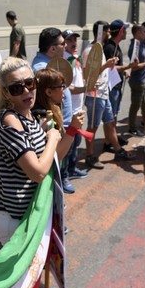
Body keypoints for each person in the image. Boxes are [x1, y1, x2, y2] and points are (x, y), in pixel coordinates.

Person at [0, 57, 79, 288]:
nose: (27, 91)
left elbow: (51, 162)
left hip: (30, 215)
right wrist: (51, 138)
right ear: (7, 93)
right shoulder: (10, 122)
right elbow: (38, 172)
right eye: (18, 88)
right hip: (16, 220)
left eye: (30, 83)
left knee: (27, 287)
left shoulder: (27, 116)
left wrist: (63, 134)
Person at [82, 21, 135, 168]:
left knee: (110, 122)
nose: (108, 34)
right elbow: (90, 74)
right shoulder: (90, 51)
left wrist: (110, 65)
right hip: (95, 95)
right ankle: (90, 155)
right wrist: (106, 65)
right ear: (100, 32)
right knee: (93, 126)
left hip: (104, 93)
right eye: (106, 31)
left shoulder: (100, 49)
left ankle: (118, 150)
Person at [31, 27, 75, 194]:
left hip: (61, 119)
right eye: (63, 43)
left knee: (66, 150)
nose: (67, 46)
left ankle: (65, 174)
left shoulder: (56, 63)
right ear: (52, 48)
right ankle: (61, 179)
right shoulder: (42, 69)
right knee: (56, 157)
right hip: (53, 123)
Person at [62, 29, 89, 180]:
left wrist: (89, 83)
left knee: (76, 141)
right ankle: (64, 175)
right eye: (69, 40)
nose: (74, 43)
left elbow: (80, 80)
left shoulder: (76, 58)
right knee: (68, 144)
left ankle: (72, 168)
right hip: (69, 110)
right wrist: (85, 88)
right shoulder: (65, 62)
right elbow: (67, 88)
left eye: (75, 40)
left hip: (78, 107)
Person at [127, 24, 145, 137]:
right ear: (138, 33)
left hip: (144, 81)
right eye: (143, 31)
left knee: (144, 105)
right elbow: (134, 66)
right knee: (135, 106)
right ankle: (132, 128)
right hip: (137, 82)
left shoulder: (141, 43)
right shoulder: (134, 47)